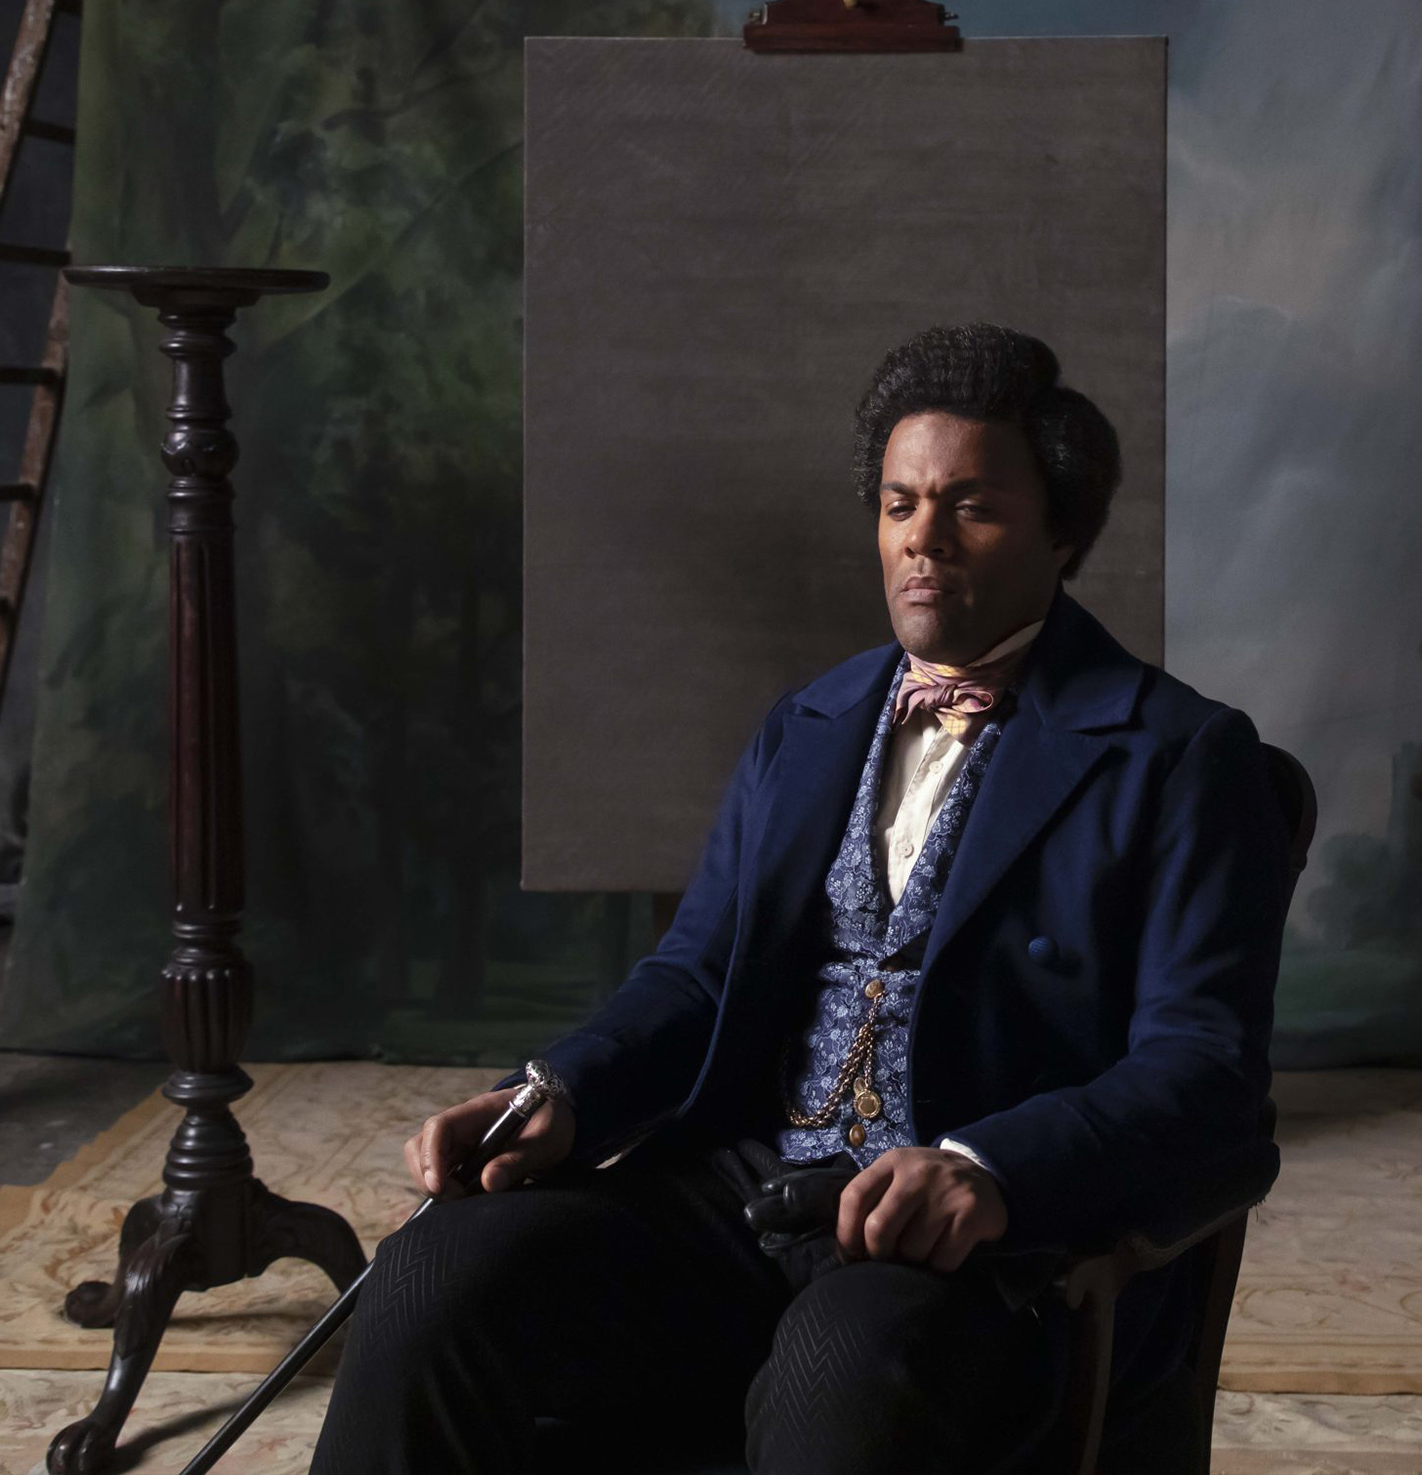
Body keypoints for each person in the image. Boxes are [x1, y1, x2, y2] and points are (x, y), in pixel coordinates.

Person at [309, 324, 1293, 1475]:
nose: (921, 540)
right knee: (440, 1268)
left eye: (970, 505)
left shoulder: (1180, 755)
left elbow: (1203, 1068)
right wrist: (560, 1089)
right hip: (745, 1185)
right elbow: (694, 975)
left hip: (965, 1239)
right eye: (897, 503)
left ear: (1061, 529)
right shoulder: (807, 724)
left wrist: (987, 1165)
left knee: (837, 1369)